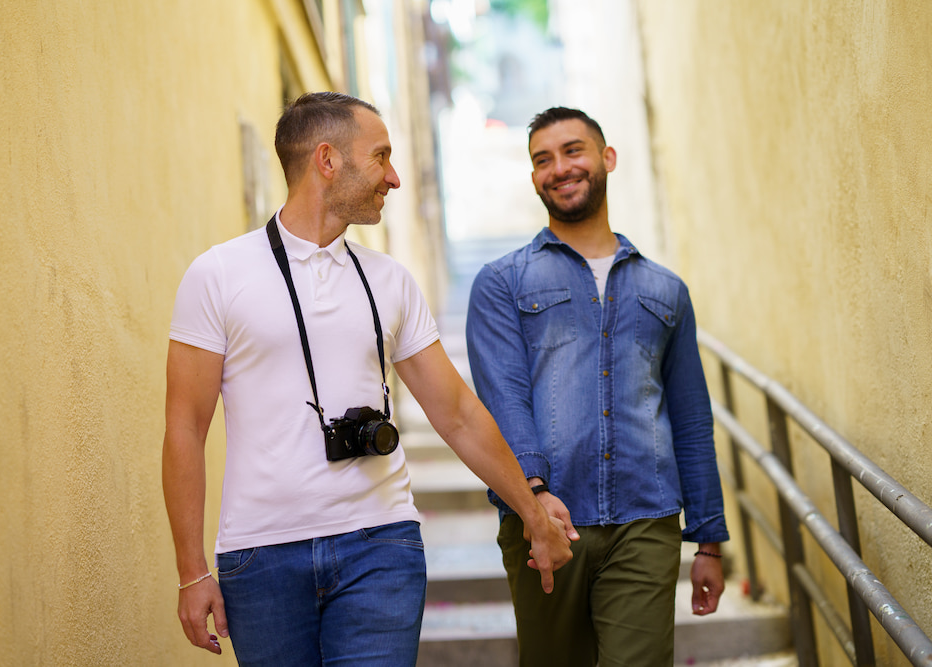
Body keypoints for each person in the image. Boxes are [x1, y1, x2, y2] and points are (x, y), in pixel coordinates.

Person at [161, 91, 572, 666]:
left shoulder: (390, 281)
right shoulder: (217, 275)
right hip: (261, 557)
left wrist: (532, 511)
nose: (396, 178)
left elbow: (455, 412)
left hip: (381, 545)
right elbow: (185, 426)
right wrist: (190, 572)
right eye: (380, 157)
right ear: (327, 160)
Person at [465, 106, 730, 667]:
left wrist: (708, 539)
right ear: (534, 176)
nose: (559, 168)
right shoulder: (502, 283)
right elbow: (504, 398)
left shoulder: (667, 289)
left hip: (646, 518)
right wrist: (534, 498)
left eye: (573, 151)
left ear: (607, 158)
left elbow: (689, 416)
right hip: (544, 520)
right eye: (543, 159)